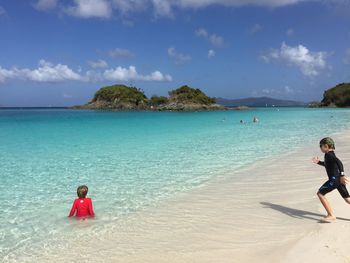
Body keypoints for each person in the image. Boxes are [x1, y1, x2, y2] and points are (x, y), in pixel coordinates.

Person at [312, 137, 350, 222]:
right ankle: (331, 215)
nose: (320, 148)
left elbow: (339, 162)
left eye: (320, 146)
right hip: (338, 180)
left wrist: (342, 175)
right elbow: (328, 165)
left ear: (325, 146)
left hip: (334, 180)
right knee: (347, 199)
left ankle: (331, 215)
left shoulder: (329, 155)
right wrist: (319, 162)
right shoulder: (330, 154)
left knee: (320, 193)